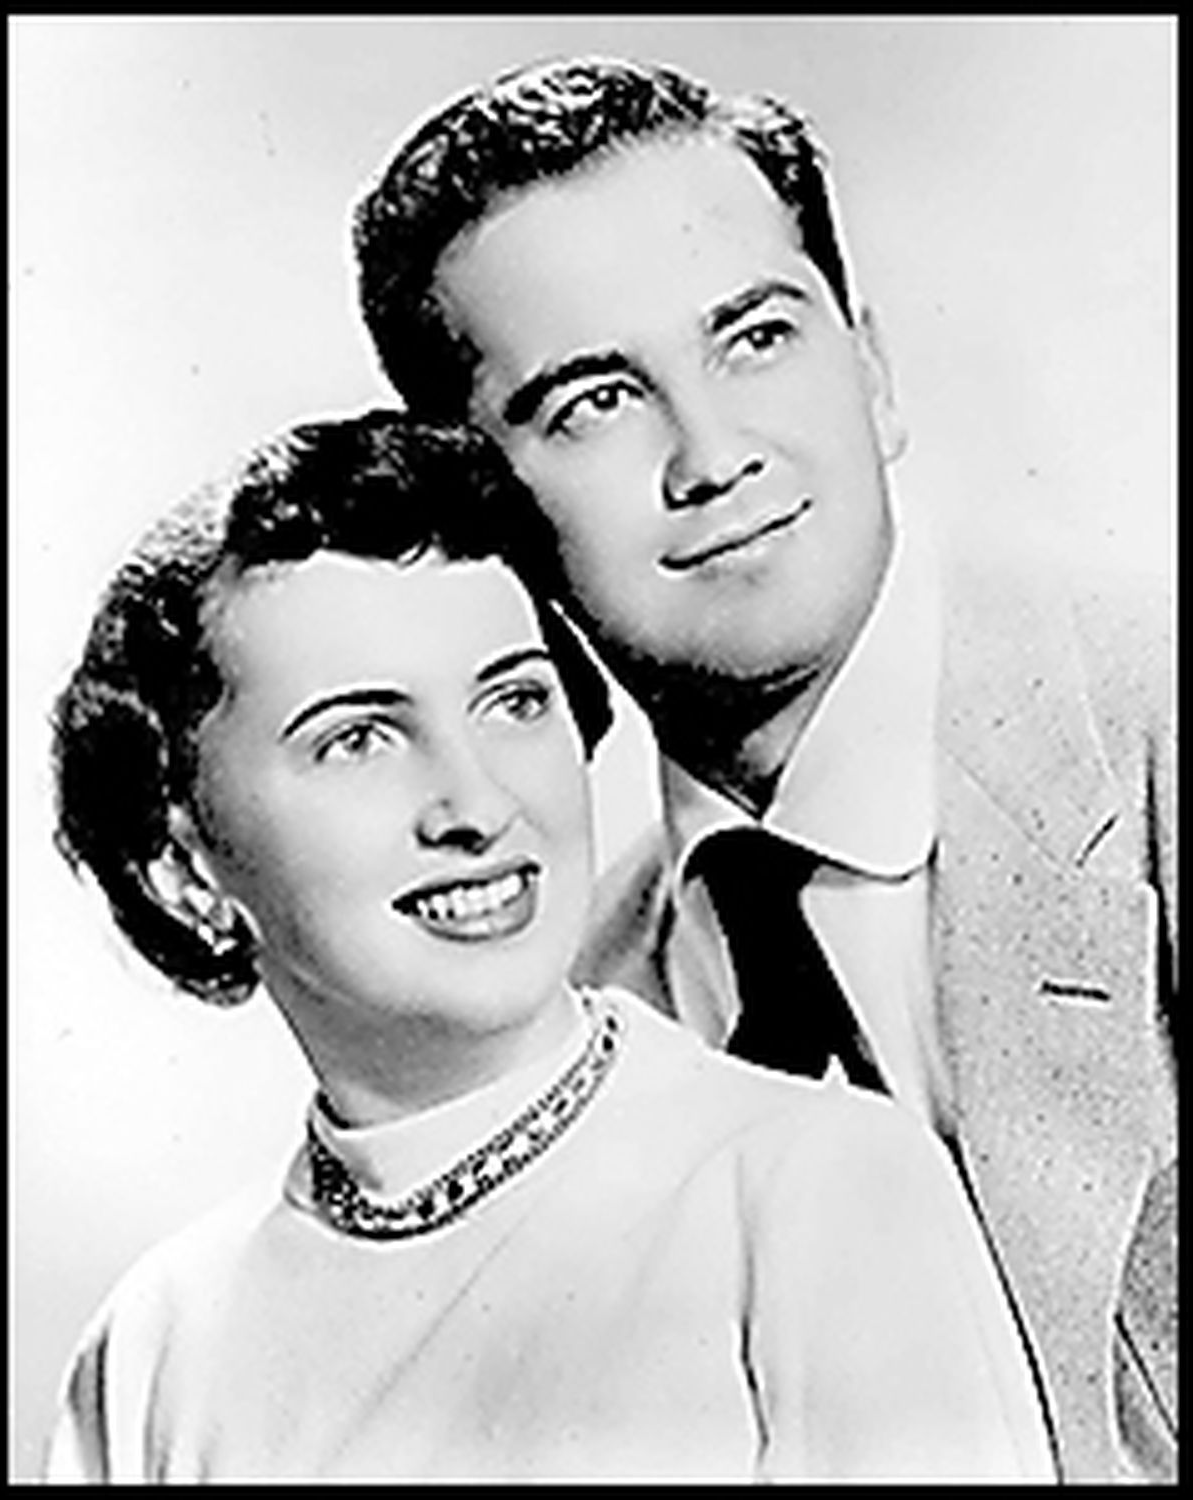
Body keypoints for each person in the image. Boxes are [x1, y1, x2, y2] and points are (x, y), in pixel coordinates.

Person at [349, 57, 1177, 1482]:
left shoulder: (1151, 739)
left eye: (756, 337)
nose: (713, 455)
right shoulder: (569, 1028)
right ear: (485, 521)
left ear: (875, 372)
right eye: (593, 402)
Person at [43, 410, 1053, 1482]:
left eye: (515, 701)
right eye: (359, 739)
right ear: (182, 867)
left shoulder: (818, 1190)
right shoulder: (155, 1346)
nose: (478, 806)